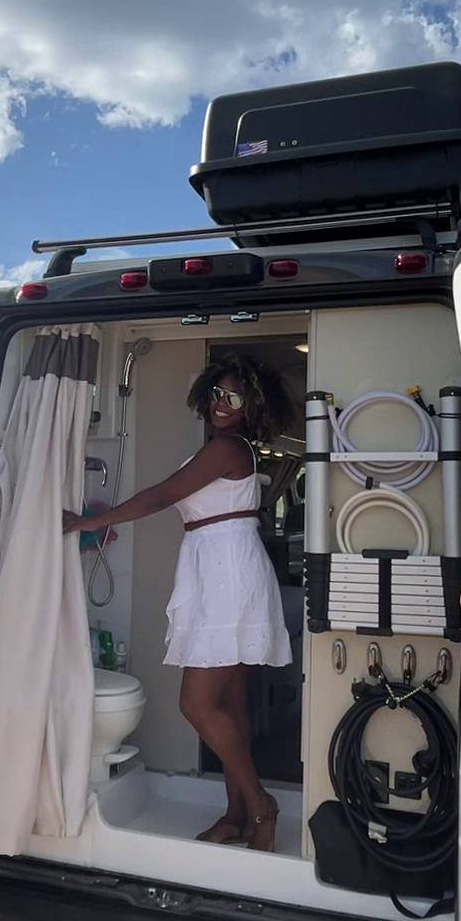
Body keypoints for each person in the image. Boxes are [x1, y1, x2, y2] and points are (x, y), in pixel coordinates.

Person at [63, 354, 294, 851]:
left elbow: (160, 496)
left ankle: (261, 807)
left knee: (196, 703)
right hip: (224, 565)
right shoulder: (228, 449)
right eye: (216, 393)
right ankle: (235, 815)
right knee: (230, 704)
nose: (220, 404)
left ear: (251, 405)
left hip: (226, 574)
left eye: (232, 397)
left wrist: (88, 523)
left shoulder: (229, 448)